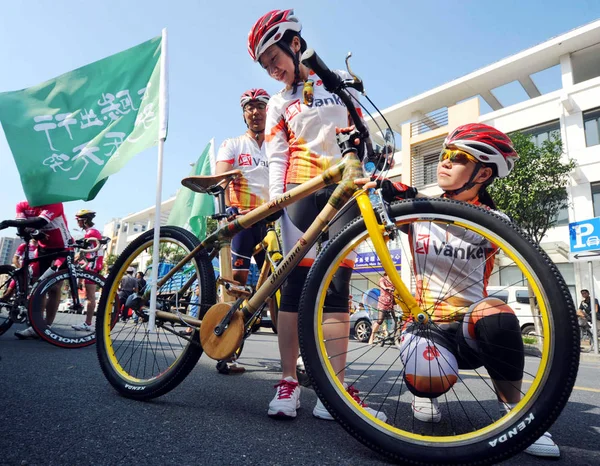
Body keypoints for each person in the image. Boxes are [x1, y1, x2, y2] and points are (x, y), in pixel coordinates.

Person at [385, 123, 559, 458]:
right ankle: (424, 394)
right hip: (427, 326)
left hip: (472, 329)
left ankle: (517, 415)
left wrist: (419, 201)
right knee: (427, 375)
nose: (445, 162)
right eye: (444, 155)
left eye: (459, 158)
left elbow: (469, 230)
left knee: (497, 312)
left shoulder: (496, 219)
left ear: (482, 174)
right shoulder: (415, 211)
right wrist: (386, 192)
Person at [248, 9, 386, 421]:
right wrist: (275, 200)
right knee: (295, 287)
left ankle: (334, 389)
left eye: (275, 59)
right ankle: (289, 382)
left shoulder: (337, 83)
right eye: (266, 66)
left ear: (294, 43)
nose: (273, 70)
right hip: (301, 192)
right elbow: (275, 155)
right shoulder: (278, 102)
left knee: (339, 285)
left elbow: (365, 133)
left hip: (344, 192)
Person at [213, 88, 271, 374]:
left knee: (278, 285)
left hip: (272, 221)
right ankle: (228, 352)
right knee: (235, 282)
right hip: (243, 221)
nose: (255, 112)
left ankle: (296, 359)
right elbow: (220, 179)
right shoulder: (233, 144)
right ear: (243, 113)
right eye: (250, 107)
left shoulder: (277, 145)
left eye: (260, 106)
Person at [0, 201, 73, 339]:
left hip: (62, 247)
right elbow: (22, 229)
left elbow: (39, 222)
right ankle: (36, 326)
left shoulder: (54, 203)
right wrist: (33, 232)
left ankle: (47, 326)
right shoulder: (22, 205)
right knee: (39, 286)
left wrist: (11, 222)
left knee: (54, 287)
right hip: (43, 249)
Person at [71, 210, 104, 332]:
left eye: (78, 220)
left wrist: (73, 260)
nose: (77, 223)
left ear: (84, 220)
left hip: (93, 265)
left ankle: (88, 324)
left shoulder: (91, 232)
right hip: (91, 264)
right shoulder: (91, 232)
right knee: (89, 296)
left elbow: (83, 253)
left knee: (90, 297)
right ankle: (88, 323)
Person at [367, 273, 395, 345]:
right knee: (380, 321)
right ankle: (372, 336)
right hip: (383, 303)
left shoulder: (393, 280)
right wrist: (387, 288)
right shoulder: (382, 279)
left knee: (395, 320)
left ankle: (392, 336)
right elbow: (382, 285)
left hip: (391, 303)